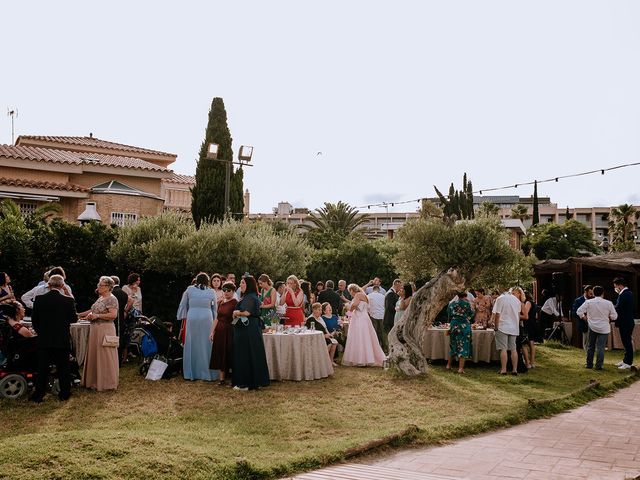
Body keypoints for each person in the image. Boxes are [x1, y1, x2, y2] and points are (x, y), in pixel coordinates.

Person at [29, 275, 77, 402]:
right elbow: (74, 319)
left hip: (44, 339)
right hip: (62, 339)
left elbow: (35, 320)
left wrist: (41, 332)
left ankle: (39, 395)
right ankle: (64, 393)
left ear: (49, 285)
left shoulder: (39, 299)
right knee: (63, 368)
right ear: (62, 286)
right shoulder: (68, 301)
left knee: (42, 368)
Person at [79, 276, 119, 391]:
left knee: (104, 355)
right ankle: (93, 381)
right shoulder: (101, 298)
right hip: (95, 329)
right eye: (98, 285)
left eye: (100, 285)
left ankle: (106, 382)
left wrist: (97, 316)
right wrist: (79, 315)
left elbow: (113, 315)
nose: (98, 287)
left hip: (105, 329)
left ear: (108, 287)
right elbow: (92, 311)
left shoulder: (112, 299)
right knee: (94, 353)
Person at [177, 272, 218, 381]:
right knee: (206, 344)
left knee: (192, 343)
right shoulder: (211, 291)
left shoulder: (189, 289)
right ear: (207, 281)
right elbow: (215, 308)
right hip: (207, 318)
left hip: (193, 317)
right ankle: (207, 372)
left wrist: (183, 315)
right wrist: (215, 320)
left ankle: (192, 372)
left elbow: (183, 304)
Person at [232, 275, 270, 390]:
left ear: (248, 284)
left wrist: (237, 312)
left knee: (245, 355)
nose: (240, 285)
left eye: (243, 283)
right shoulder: (250, 296)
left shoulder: (250, 297)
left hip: (248, 330)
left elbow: (247, 312)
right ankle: (253, 381)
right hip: (249, 329)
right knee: (250, 354)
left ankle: (246, 383)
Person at [342, 284, 386, 367]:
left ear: (352, 290)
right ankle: (367, 358)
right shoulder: (365, 296)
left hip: (359, 318)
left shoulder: (358, 295)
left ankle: (360, 359)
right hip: (365, 317)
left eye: (350, 292)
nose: (350, 293)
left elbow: (354, 305)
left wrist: (349, 314)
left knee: (359, 337)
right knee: (366, 337)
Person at [577, 285, 617, 370]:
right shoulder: (608, 303)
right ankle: (599, 366)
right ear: (603, 293)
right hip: (604, 328)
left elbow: (579, 311)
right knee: (601, 347)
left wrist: (585, 318)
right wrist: (609, 318)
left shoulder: (588, 302)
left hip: (592, 326)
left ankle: (589, 364)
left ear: (594, 293)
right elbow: (614, 316)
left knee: (591, 346)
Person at [209, 281, 237, 386]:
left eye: (228, 290)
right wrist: (212, 331)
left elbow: (238, 319)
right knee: (220, 353)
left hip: (229, 331)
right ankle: (221, 380)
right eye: (224, 290)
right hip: (220, 330)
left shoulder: (235, 303)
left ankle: (234, 379)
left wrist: (232, 326)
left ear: (233, 291)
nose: (226, 292)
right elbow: (217, 318)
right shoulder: (220, 302)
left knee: (230, 353)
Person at [491, 288, 522, 375]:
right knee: (513, 349)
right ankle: (514, 370)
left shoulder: (500, 299)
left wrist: (496, 327)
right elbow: (518, 316)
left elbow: (497, 314)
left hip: (502, 326)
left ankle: (504, 370)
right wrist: (516, 326)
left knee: (503, 349)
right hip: (514, 327)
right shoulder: (517, 300)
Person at [446, 292, 474, 374]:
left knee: (453, 345)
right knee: (463, 346)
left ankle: (448, 365)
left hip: (454, 325)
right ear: (465, 296)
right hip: (464, 327)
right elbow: (471, 313)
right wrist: (466, 318)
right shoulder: (467, 304)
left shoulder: (452, 304)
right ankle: (460, 368)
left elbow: (449, 314)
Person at [613, 277, 634, 369]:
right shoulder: (625, 293)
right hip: (626, 321)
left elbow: (619, 308)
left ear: (620, 285)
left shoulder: (625, 294)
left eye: (615, 286)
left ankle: (628, 363)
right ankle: (625, 360)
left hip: (625, 322)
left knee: (627, 342)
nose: (615, 288)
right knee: (625, 342)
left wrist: (610, 307)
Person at [110, 275, 132, 365]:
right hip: (121, 318)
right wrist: (125, 311)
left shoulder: (113, 293)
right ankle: (119, 358)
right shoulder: (123, 292)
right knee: (121, 338)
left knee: (114, 337)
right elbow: (131, 301)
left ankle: (114, 360)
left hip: (114, 318)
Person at [571, 285, 594, 350]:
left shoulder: (593, 299)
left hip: (594, 323)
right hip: (584, 324)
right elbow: (574, 313)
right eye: (590, 293)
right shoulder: (578, 300)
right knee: (586, 341)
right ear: (585, 292)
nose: (591, 295)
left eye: (592, 293)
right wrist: (583, 317)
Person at [367, 285, 387, 351]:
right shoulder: (383, 296)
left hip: (373, 315)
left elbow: (368, 306)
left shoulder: (369, 296)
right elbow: (385, 306)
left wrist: (369, 312)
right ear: (379, 290)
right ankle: (385, 348)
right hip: (382, 315)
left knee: (374, 332)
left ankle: (375, 348)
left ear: (373, 289)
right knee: (382, 332)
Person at [521, 290, 538, 368]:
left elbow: (526, 313)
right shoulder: (533, 303)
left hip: (528, 324)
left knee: (525, 343)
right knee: (531, 343)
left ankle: (528, 363)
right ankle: (532, 362)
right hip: (533, 323)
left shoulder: (528, 303)